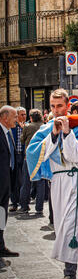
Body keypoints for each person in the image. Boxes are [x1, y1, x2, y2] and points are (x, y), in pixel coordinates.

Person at [26, 88, 78, 279]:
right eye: (53, 106)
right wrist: (55, 134)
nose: (57, 110)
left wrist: (67, 133)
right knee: (63, 228)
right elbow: (34, 152)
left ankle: (69, 276)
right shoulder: (47, 128)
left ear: (68, 106)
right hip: (58, 182)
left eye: (60, 106)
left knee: (70, 225)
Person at [0, 105, 19, 258]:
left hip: (6, 183)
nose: (16, 119)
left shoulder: (8, 132)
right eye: (14, 117)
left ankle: (1, 245)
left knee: (2, 215)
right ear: (5, 118)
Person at [19, 109, 44, 215]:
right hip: (42, 157)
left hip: (29, 158)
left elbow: (22, 140)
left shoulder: (27, 127)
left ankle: (24, 206)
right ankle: (39, 208)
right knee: (41, 183)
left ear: (31, 117)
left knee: (26, 182)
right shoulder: (44, 126)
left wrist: (23, 128)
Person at [9, 107, 26, 212]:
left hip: (23, 155)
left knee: (23, 180)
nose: (24, 116)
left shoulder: (26, 126)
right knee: (14, 179)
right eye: (21, 114)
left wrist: (24, 128)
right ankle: (14, 202)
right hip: (15, 155)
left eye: (25, 114)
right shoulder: (12, 127)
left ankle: (23, 202)